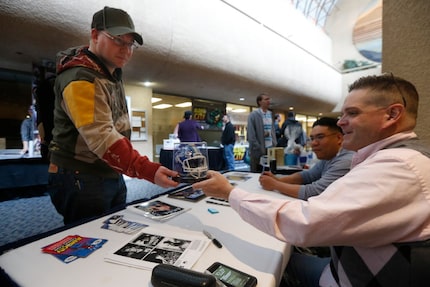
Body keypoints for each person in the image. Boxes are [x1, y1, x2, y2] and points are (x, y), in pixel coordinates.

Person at [194, 74, 430, 286]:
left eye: (353, 113)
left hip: (342, 278)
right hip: (340, 269)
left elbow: (305, 223)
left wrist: (229, 193)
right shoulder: (390, 158)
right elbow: (310, 179)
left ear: (392, 114)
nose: (340, 122)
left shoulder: (397, 166)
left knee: (264, 263)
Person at [48, 7, 179, 225]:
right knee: (89, 240)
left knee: (113, 231)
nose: (126, 50)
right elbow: (102, 136)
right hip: (81, 175)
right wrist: (148, 170)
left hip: (108, 171)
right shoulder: (81, 78)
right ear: (94, 35)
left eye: (130, 44)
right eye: (118, 40)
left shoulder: (110, 73)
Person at [259, 117, 354, 200]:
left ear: (339, 138)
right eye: (312, 139)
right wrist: (277, 179)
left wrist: (275, 184)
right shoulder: (330, 156)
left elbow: (313, 192)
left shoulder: (346, 160)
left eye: (320, 137)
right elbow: (307, 176)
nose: (314, 143)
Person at [246, 93, 277, 172]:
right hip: (258, 150)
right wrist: (257, 147)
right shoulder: (253, 115)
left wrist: (274, 143)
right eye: (266, 99)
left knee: (268, 173)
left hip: (270, 148)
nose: (268, 101)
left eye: (269, 99)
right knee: (256, 172)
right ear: (260, 102)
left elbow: (272, 130)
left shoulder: (270, 114)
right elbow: (251, 133)